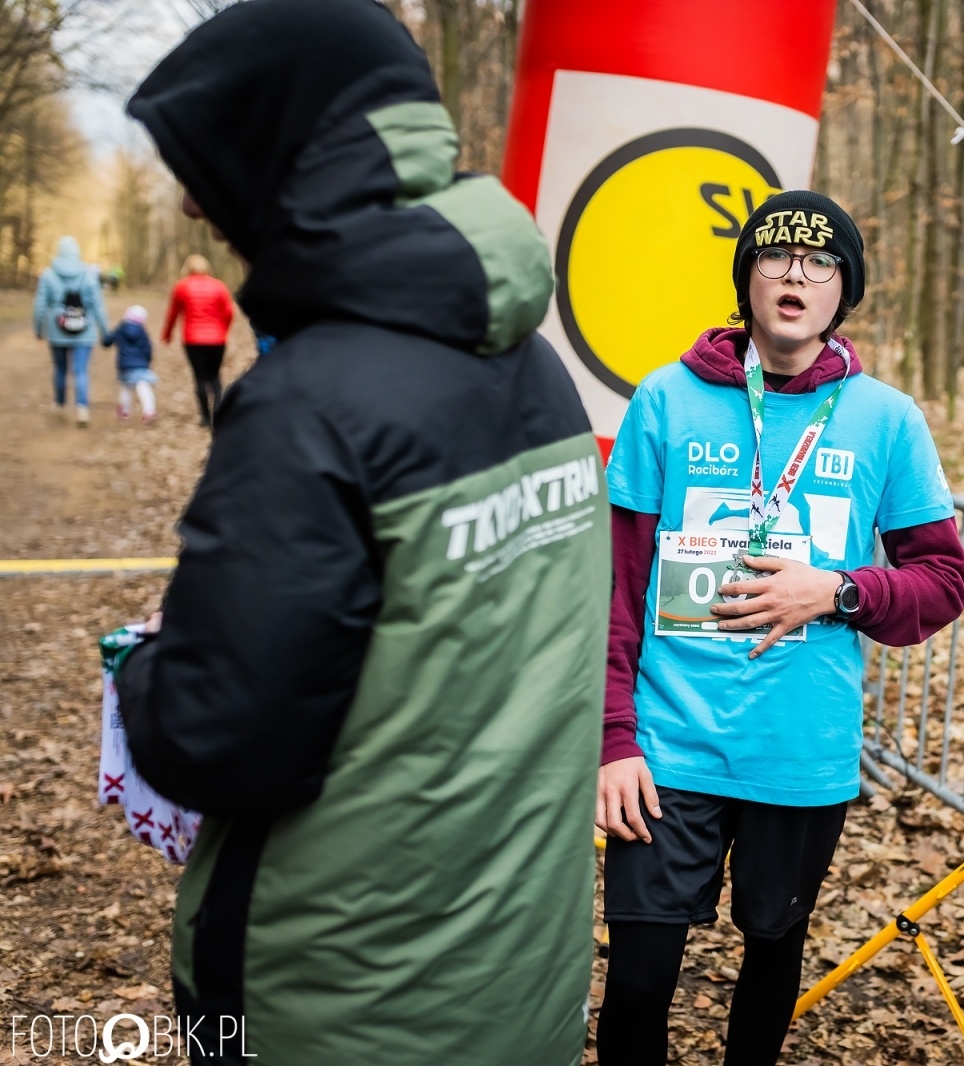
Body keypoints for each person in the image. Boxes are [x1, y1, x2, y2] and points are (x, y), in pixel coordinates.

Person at [115, 1, 607, 1063]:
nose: (197, 208)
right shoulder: (533, 362)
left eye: (211, 165)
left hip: (337, 1004)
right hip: (517, 980)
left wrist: (149, 665)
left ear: (284, 153)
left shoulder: (310, 404)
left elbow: (217, 741)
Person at [596, 189, 964, 1066]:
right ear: (747, 280)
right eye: (775, 257)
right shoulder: (666, 400)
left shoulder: (886, 419)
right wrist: (614, 739)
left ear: (846, 290)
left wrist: (835, 591)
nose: (795, 274)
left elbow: (942, 581)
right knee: (640, 981)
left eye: (820, 262)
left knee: (771, 958)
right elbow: (617, 588)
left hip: (799, 751)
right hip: (667, 744)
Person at [33, 235, 109, 426]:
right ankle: (82, 409)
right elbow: (98, 306)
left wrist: (38, 329)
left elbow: (40, 305)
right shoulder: (89, 274)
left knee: (60, 369)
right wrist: (104, 330)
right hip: (85, 330)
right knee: (81, 371)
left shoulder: (48, 275)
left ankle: (59, 405)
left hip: (57, 330)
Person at [161, 253, 235, 427]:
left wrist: (167, 334)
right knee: (215, 377)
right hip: (217, 339)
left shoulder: (182, 286)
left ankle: (205, 417)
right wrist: (224, 330)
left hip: (193, 340)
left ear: (188, 268)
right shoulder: (219, 286)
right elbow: (229, 312)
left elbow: (173, 313)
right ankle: (218, 412)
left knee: (200, 377)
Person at [104, 305, 158, 424]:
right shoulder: (142, 331)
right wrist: (147, 361)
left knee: (126, 388)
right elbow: (148, 348)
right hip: (141, 365)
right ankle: (149, 410)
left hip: (125, 365)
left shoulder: (121, 328)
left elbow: (108, 340)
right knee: (143, 387)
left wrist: (105, 340)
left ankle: (124, 412)